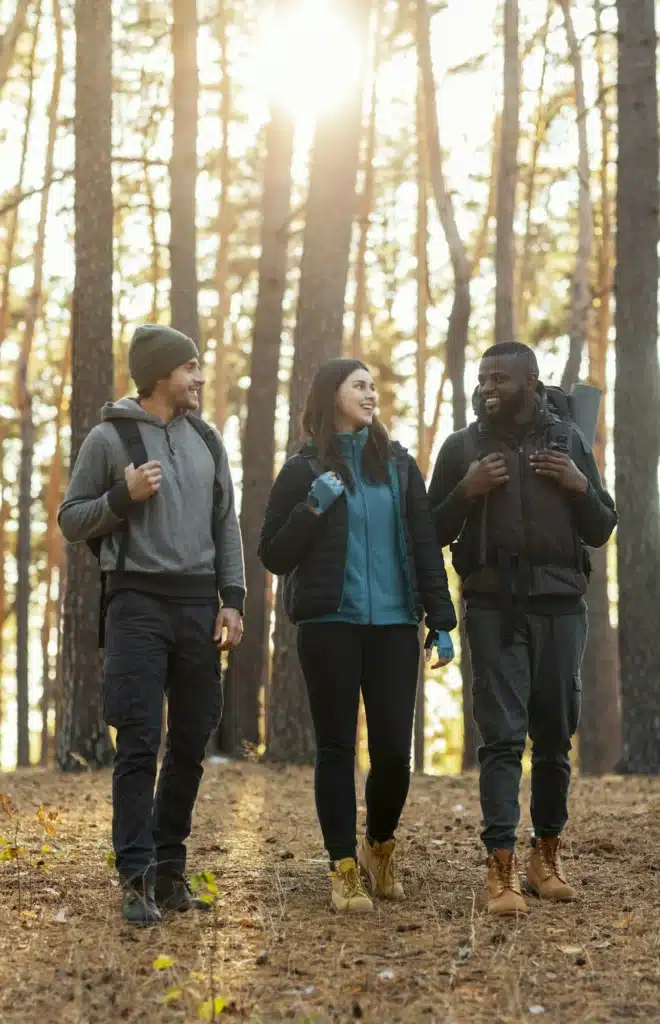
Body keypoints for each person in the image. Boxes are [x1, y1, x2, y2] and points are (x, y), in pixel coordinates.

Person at [58, 324, 245, 926]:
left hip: (198, 607)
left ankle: (170, 873)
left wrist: (232, 600)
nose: (199, 378)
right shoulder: (109, 437)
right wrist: (123, 496)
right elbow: (70, 519)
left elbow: (227, 525)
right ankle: (134, 878)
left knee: (191, 741)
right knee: (139, 742)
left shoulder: (207, 439)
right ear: (164, 374)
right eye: (191, 367)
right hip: (135, 603)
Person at [258, 358, 457, 913]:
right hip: (330, 625)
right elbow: (273, 553)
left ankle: (379, 847)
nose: (372, 394)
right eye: (360, 385)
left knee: (394, 753)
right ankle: (341, 866)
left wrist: (441, 619)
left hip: (395, 624)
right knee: (337, 747)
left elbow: (423, 545)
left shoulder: (396, 465)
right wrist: (314, 506)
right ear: (331, 395)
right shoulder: (302, 469)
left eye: (374, 385)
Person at [429, 341, 617, 916]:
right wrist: (469, 489)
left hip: (562, 606)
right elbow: (429, 528)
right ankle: (501, 868)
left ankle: (546, 857)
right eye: (482, 376)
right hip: (492, 609)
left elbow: (603, 525)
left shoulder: (569, 442)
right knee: (503, 737)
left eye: (500, 378)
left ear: (530, 382)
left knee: (555, 738)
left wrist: (576, 483)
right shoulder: (461, 447)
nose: (488, 386)